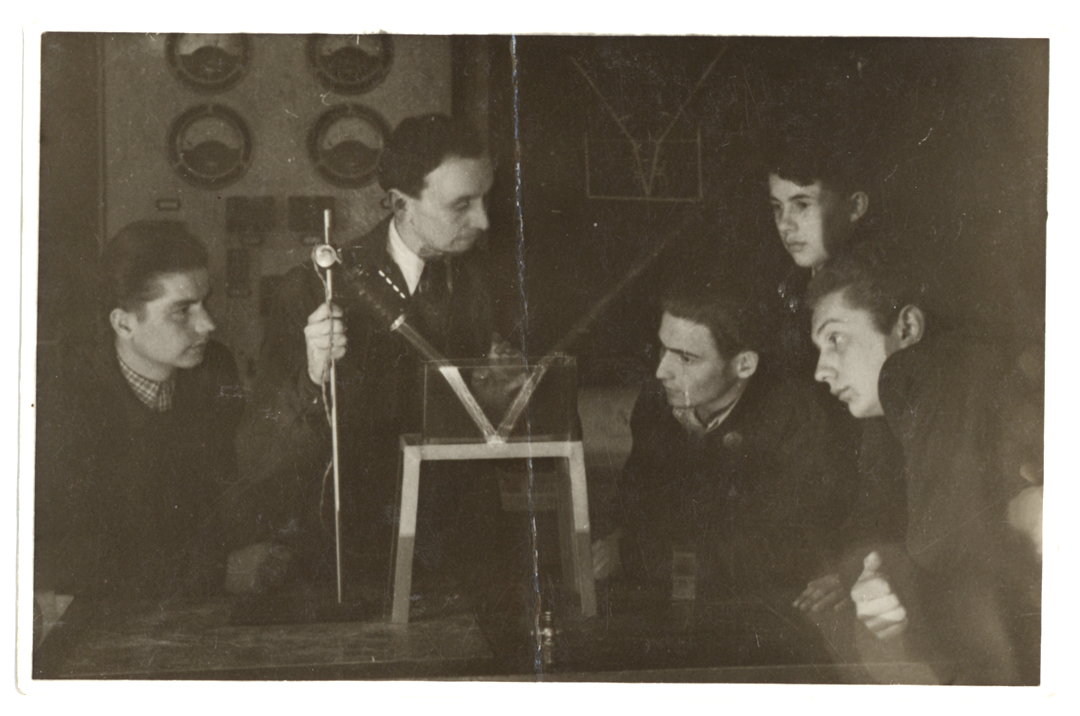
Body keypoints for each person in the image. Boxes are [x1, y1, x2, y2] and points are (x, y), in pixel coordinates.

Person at [238, 114, 513, 603]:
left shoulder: (495, 284)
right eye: (461, 205)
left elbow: (542, 432)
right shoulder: (314, 288)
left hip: (468, 566)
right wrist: (312, 377)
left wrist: (510, 396)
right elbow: (260, 455)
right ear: (401, 203)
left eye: (485, 199)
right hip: (353, 562)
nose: (483, 221)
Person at [807, 250, 1042, 685]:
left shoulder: (924, 370)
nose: (821, 370)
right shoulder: (891, 415)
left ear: (907, 328)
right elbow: (872, 524)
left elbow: (949, 555)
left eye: (835, 339)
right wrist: (874, 573)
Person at [592, 278, 857, 662]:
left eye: (686, 358)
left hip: (774, 620)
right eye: (663, 349)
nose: (662, 371)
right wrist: (615, 540)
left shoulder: (799, 416)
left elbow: (781, 551)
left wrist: (635, 554)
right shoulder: (656, 403)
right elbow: (632, 503)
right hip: (679, 598)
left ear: (743, 364)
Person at [34, 220, 244, 613]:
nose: (208, 325)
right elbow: (68, 558)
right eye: (182, 312)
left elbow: (231, 490)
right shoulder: (62, 401)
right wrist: (217, 572)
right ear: (124, 323)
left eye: (205, 303)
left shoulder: (215, 368)